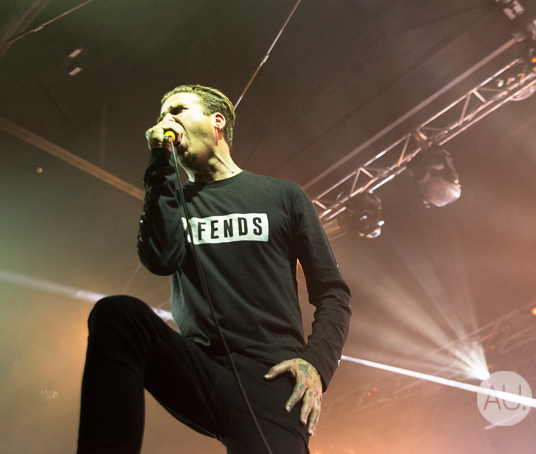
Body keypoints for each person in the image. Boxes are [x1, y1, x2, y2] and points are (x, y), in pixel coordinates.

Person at [77, 85, 352, 454]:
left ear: (217, 121)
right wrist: (160, 164)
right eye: (162, 116)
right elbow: (160, 259)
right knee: (117, 315)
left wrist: (316, 363)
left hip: (270, 377)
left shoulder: (283, 196)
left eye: (177, 110)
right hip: (200, 369)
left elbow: (333, 292)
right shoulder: (173, 201)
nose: (166, 121)